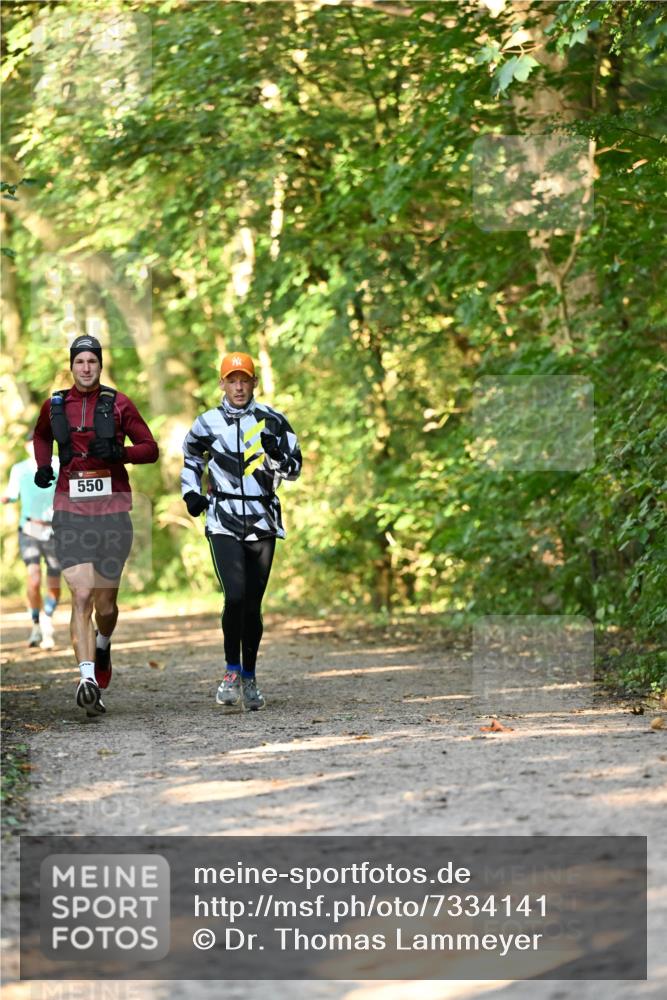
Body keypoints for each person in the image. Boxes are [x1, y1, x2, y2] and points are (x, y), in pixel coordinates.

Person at [32, 335, 159, 717]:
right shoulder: (55, 405)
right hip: (70, 514)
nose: (86, 367)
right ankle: (87, 679)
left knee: (105, 605)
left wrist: (121, 453)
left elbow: (150, 448)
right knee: (82, 594)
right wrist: (43, 466)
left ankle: (102, 644)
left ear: (100, 365)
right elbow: (40, 436)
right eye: (79, 361)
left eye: (92, 361)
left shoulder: (118, 403)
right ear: (71, 366)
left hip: (112, 516)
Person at [181, 351, 302, 711]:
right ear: (222, 383)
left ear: (253, 383)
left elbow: (293, 470)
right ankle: (231, 671)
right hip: (223, 517)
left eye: (244, 379)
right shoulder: (207, 422)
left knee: (252, 603)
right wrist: (191, 491)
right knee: (234, 596)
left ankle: (250, 677)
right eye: (232, 380)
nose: (238, 386)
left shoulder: (273, 420)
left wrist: (276, 454)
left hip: (263, 517)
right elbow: (190, 457)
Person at [2, 432, 61, 649]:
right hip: (29, 528)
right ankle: (36, 624)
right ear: (27, 447)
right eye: (32, 444)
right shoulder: (19, 469)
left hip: (56, 530)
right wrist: (5, 498)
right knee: (34, 577)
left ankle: (48, 616)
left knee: (54, 582)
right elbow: (11, 494)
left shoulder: (60, 464)